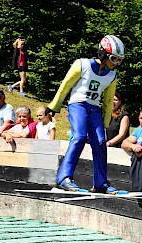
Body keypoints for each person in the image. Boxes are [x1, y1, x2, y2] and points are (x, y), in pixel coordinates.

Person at [44, 35, 125, 194]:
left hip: (94, 109)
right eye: (114, 59)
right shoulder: (82, 64)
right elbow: (66, 85)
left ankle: (101, 183)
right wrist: (54, 106)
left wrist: (106, 122)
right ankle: (64, 178)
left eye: (119, 60)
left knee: (100, 142)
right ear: (103, 53)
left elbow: (108, 100)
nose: (117, 63)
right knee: (79, 136)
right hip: (78, 105)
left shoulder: (111, 75)